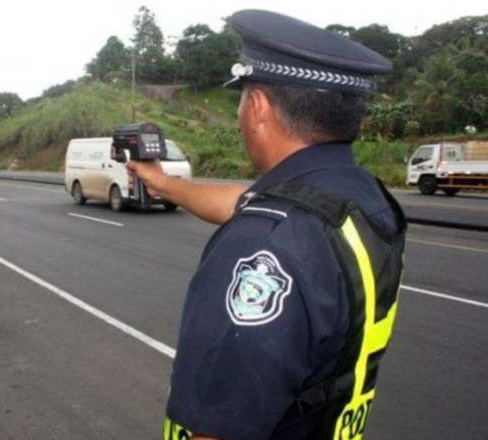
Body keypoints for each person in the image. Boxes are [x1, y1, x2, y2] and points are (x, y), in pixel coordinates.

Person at [126, 10, 407, 440]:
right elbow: (249, 204)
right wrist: (162, 182)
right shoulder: (359, 196)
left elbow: (219, 428)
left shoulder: (264, 244)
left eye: (241, 99)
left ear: (257, 107)